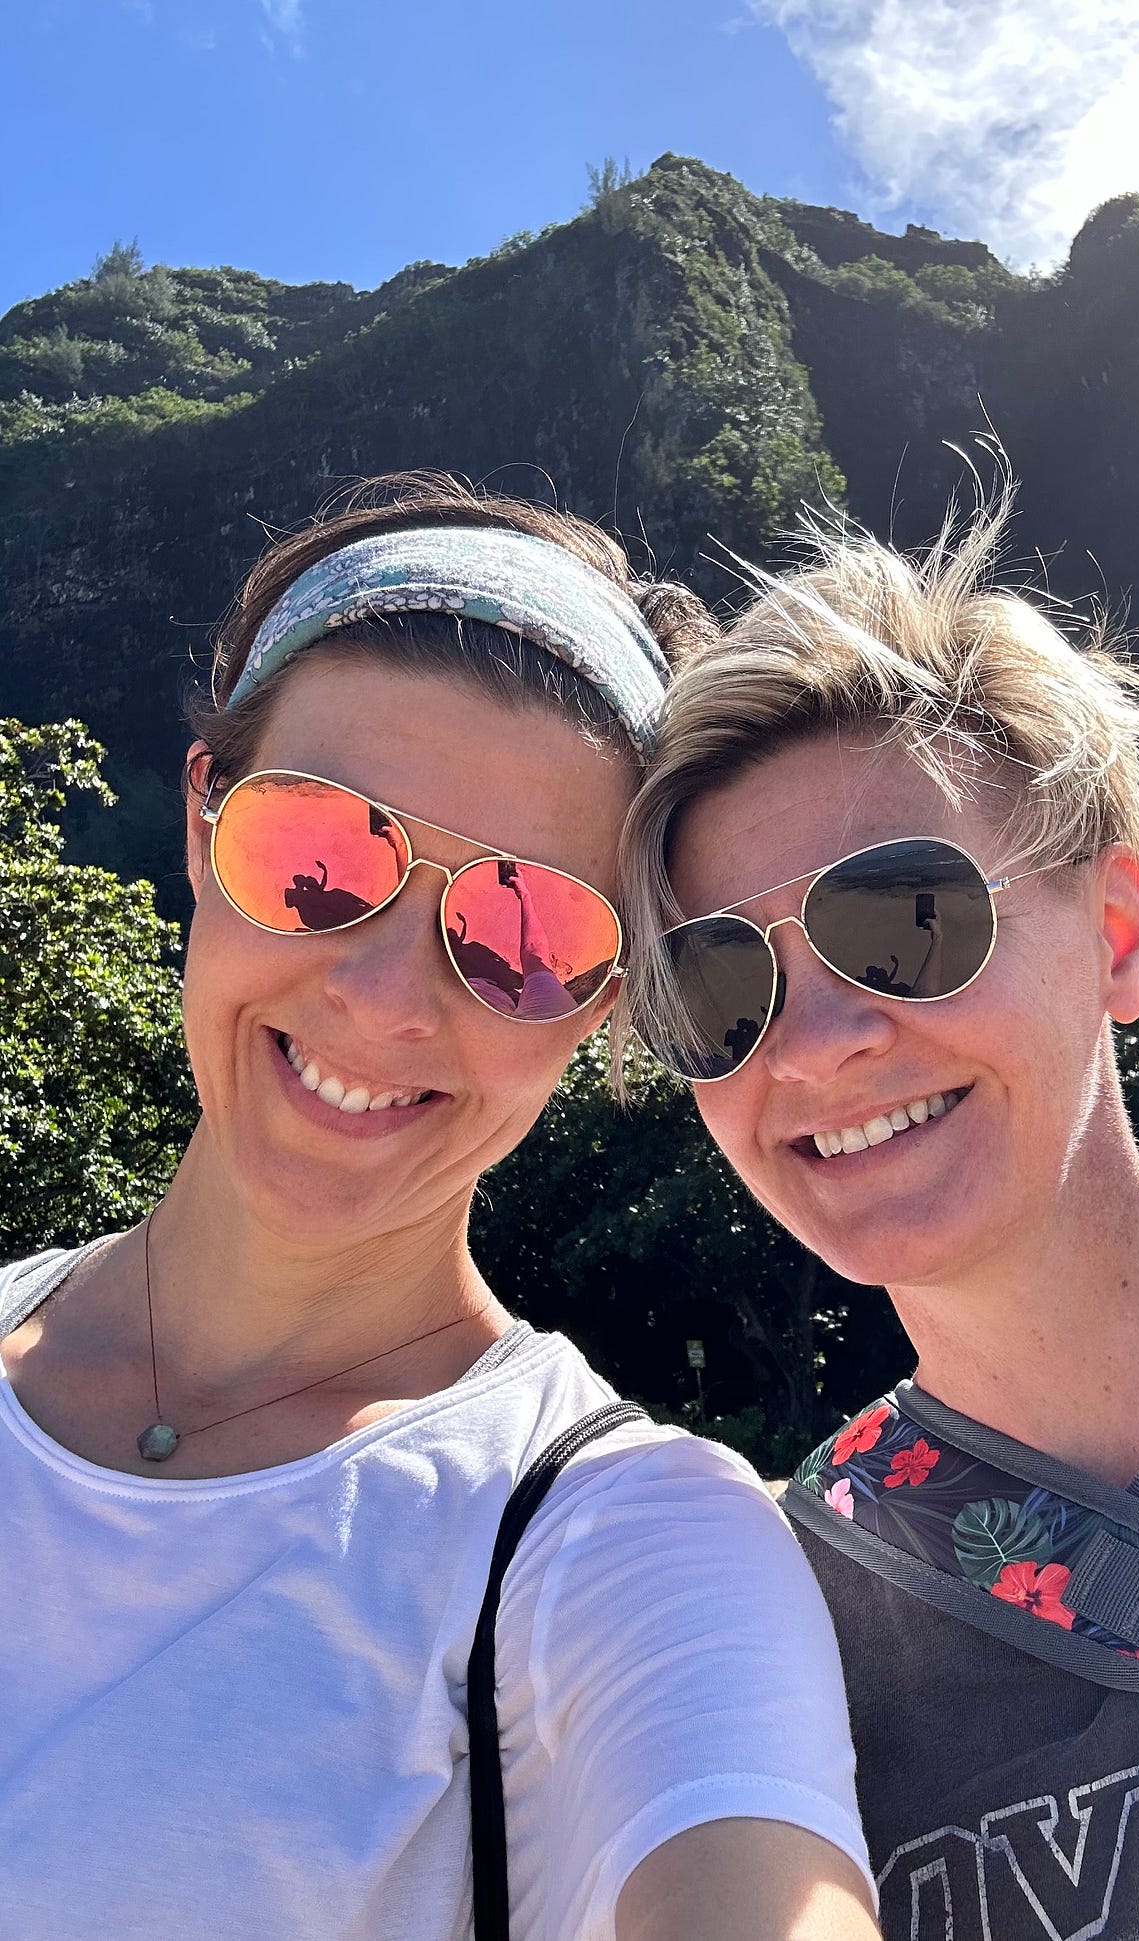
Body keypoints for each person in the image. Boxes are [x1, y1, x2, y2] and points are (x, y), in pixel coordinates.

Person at [0, 473, 880, 1941]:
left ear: (600, 1007)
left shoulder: (609, 1538)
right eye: (318, 855)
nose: (381, 998)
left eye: (524, 932)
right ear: (208, 811)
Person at [617, 492, 1139, 1938]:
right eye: (717, 988)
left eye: (905, 919)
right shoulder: (772, 1639)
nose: (812, 1046)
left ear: (1118, 933)